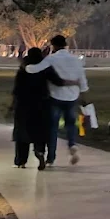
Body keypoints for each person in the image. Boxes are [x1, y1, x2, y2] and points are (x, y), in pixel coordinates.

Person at [26, 34, 88, 166]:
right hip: (72, 96)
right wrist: (83, 94)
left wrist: (26, 66)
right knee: (71, 124)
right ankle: (72, 144)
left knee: (52, 127)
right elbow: (82, 79)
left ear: (53, 46)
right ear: (65, 45)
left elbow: (35, 69)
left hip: (56, 96)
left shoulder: (52, 59)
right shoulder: (76, 60)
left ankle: (51, 157)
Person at [10, 46, 61, 169]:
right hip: (42, 104)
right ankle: (40, 152)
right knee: (40, 132)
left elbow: (17, 88)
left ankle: (21, 161)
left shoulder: (23, 69)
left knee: (22, 133)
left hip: (23, 104)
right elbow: (57, 81)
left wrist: (12, 104)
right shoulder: (45, 68)